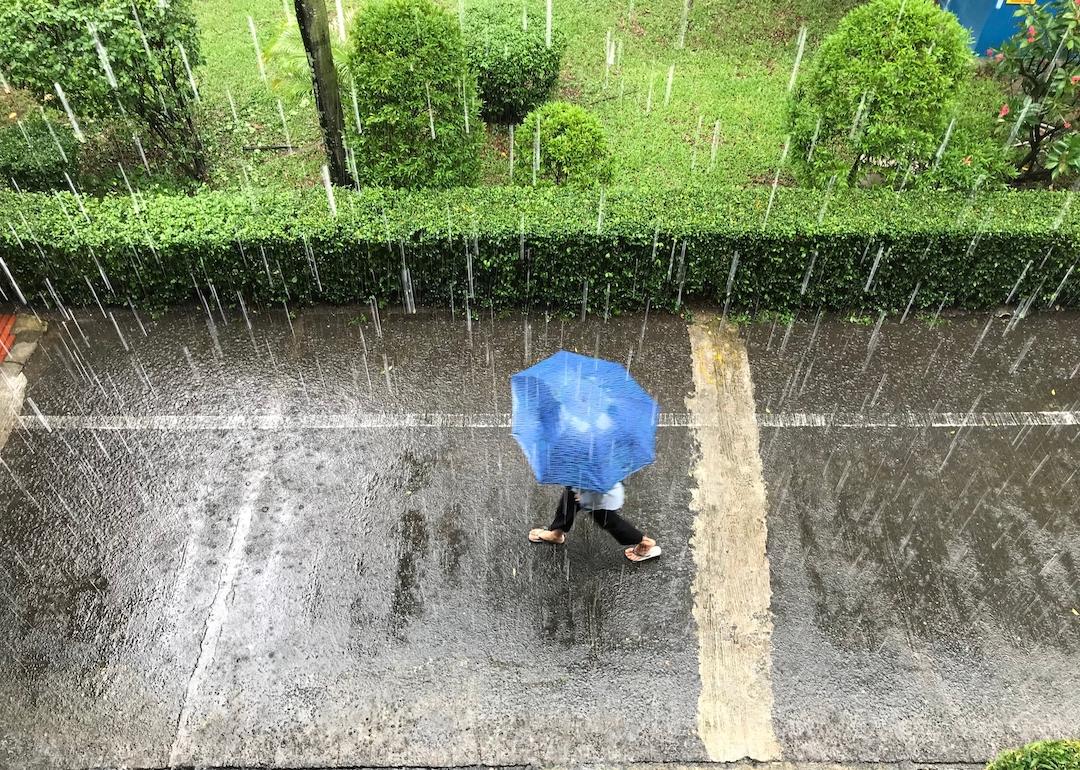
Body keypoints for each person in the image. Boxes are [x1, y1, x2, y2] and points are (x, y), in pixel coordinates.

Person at [529, 483, 661, 562]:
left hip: (598, 490)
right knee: (570, 497)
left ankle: (644, 542)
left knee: (604, 517)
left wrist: (586, 493)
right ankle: (557, 533)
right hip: (586, 481)